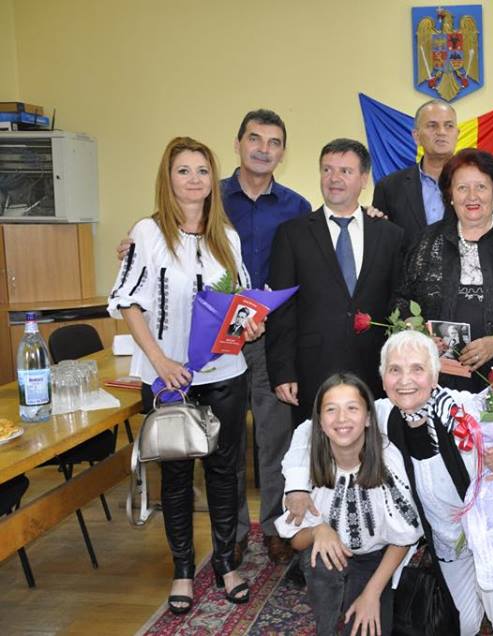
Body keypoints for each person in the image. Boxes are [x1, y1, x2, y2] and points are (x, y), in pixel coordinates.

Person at [116, 109, 312, 565]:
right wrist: (132, 246)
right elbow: (156, 255)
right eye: (255, 139)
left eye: (274, 142)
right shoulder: (208, 197)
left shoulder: (294, 207)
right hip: (192, 355)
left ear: (283, 152)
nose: (263, 149)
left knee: (270, 440)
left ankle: (276, 528)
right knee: (215, 452)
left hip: (262, 339)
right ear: (238, 143)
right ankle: (234, 537)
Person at [283, 331, 493, 635]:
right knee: (459, 625)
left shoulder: (464, 409)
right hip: (447, 541)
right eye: (395, 370)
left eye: (417, 369)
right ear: (383, 377)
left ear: (435, 373)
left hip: (491, 532)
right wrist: (296, 486)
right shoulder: (382, 413)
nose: (405, 380)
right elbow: (311, 429)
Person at [108, 136, 264, 614]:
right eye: (183, 170)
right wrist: (160, 362)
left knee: (225, 472)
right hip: (167, 379)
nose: (194, 179)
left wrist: (251, 326)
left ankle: (225, 564)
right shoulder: (147, 233)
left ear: (212, 179)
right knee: (176, 476)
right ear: (168, 177)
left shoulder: (227, 237)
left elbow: (240, 304)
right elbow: (128, 303)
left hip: (224, 374)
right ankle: (182, 570)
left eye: (202, 170)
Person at [267, 138, 404, 425]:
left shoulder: (390, 235)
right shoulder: (292, 234)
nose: (334, 178)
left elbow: (398, 301)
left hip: (374, 369)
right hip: (311, 371)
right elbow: (282, 309)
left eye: (345, 171)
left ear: (364, 179)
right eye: (327, 169)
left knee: (374, 444)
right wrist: (282, 371)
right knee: (314, 447)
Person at [273, 373, 422, 635]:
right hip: (331, 557)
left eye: (352, 408)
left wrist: (371, 595)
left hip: (378, 559)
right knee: (319, 561)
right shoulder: (308, 462)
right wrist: (318, 530)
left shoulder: (387, 461)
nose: (342, 418)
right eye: (331, 410)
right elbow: (295, 540)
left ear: (368, 418)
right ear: (320, 422)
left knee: (369, 623)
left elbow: (404, 538)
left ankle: (370, 597)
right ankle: (328, 623)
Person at [396, 148, 493, 392]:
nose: (472, 196)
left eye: (481, 187)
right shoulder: (427, 241)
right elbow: (401, 299)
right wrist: (419, 336)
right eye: (462, 188)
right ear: (450, 195)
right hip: (436, 377)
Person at [372, 99, 459, 249]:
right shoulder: (389, 187)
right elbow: (381, 246)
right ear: (416, 136)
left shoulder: (479, 185)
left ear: (457, 134)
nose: (441, 132)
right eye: (432, 125)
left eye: (449, 126)